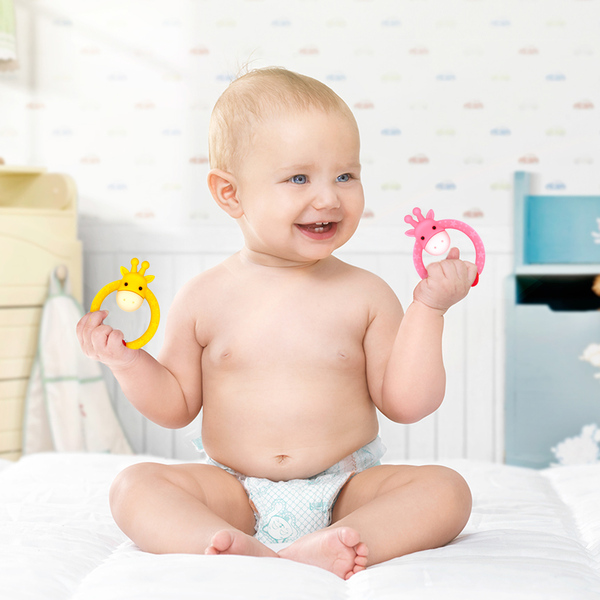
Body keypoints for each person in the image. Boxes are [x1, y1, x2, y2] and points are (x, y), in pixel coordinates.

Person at [77, 67, 475, 581]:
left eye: (345, 176)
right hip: (235, 491)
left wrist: (429, 310)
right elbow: (174, 407)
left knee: (447, 490)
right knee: (133, 486)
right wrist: (126, 362)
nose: (329, 198)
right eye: (299, 178)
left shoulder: (366, 294)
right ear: (230, 193)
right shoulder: (203, 297)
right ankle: (226, 545)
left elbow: (408, 403)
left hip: (345, 490)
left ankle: (347, 540)